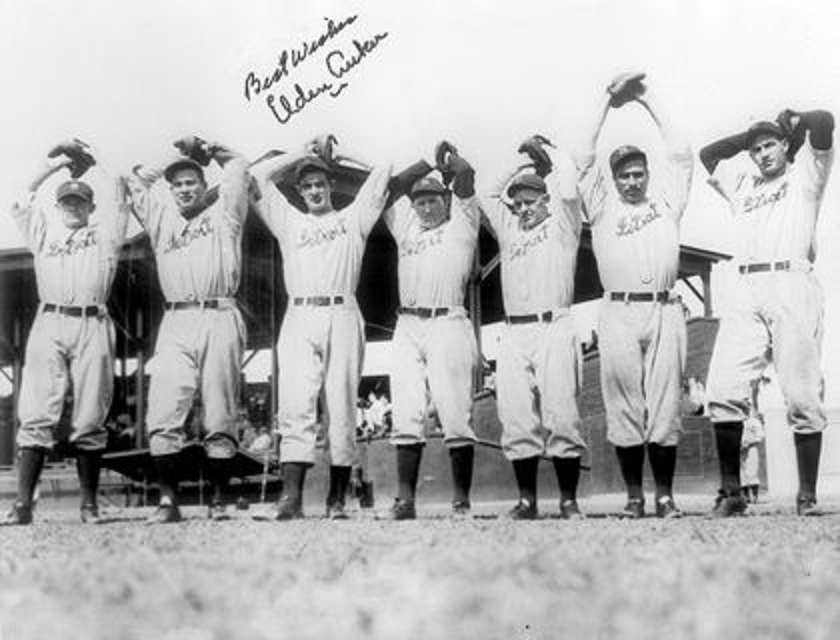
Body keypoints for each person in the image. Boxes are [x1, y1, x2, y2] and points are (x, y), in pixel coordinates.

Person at [700, 108, 834, 517]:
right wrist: (752, 134)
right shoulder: (743, 184)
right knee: (723, 389)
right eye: (755, 149)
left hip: (792, 281)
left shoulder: (805, 174)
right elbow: (708, 155)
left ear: (786, 147)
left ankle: (807, 494)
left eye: (769, 144)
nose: (762, 153)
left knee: (801, 393)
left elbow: (826, 121)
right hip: (746, 287)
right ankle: (731, 492)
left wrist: (793, 124)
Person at [250, 136, 392, 520]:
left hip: (342, 311)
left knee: (342, 407)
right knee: (296, 403)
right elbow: (256, 177)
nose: (314, 190)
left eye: (320, 183)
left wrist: (342, 154)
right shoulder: (289, 221)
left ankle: (336, 499)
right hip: (300, 315)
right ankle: (291, 499)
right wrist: (301, 153)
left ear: (331, 186)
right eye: (307, 185)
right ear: (299, 190)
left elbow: (384, 169)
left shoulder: (353, 218)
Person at [575, 72, 694, 519]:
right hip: (618, 310)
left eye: (637, 173)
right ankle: (633, 496)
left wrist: (647, 99)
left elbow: (681, 151)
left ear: (647, 173)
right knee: (623, 403)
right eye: (623, 175)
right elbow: (583, 159)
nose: (631, 181)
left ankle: (664, 495)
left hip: (664, 308)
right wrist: (606, 103)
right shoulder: (603, 207)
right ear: (615, 178)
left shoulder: (665, 200)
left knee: (665, 403)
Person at [4, 140, 129, 525]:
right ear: (59, 207)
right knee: (36, 411)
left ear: (91, 208)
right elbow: (21, 194)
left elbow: (121, 194)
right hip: (51, 319)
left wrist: (93, 163)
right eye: (67, 202)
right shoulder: (44, 235)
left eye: (80, 202)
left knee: (91, 412)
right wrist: (55, 164)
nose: (73, 207)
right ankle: (24, 504)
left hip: (93, 320)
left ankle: (89, 505)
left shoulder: (106, 234)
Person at [129, 137, 250, 523]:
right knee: (165, 407)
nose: (184, 189)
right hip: (177, 317)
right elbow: (132, 184)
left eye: (191, 182)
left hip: (219, 311)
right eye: (177, 184)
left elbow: (238, 166)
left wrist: (210, 149)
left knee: (219, 409)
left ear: (203, 186)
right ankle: (168, 501)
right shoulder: (162, 221)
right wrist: (177, 157)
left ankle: (218, 499)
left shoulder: (224, 215)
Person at [472, 137, 586, 520]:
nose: (522, 208)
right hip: (515, 330)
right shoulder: (510, 231)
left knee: (561, 413)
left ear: (545, 201)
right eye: (517, 203)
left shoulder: (563, 226)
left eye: (530, 201)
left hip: (554, 324)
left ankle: (569, 500)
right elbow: (486, 191)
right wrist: (519, 159)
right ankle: (527, 501)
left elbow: (568, 181)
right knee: (517, 416)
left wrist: (549, 153)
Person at [380, 145, 480, 519]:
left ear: (445, 200)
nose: (426, 207)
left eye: (433, 199)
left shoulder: (461, 225)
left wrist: (449, 163)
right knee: (406, 410)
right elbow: (390, 189)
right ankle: (405, 500)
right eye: (420, 201)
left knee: (455, 411)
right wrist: (424, 163)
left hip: (447, 321)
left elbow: (467, 175)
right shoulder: (406, 224)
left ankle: (461, 500)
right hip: (408, 323)